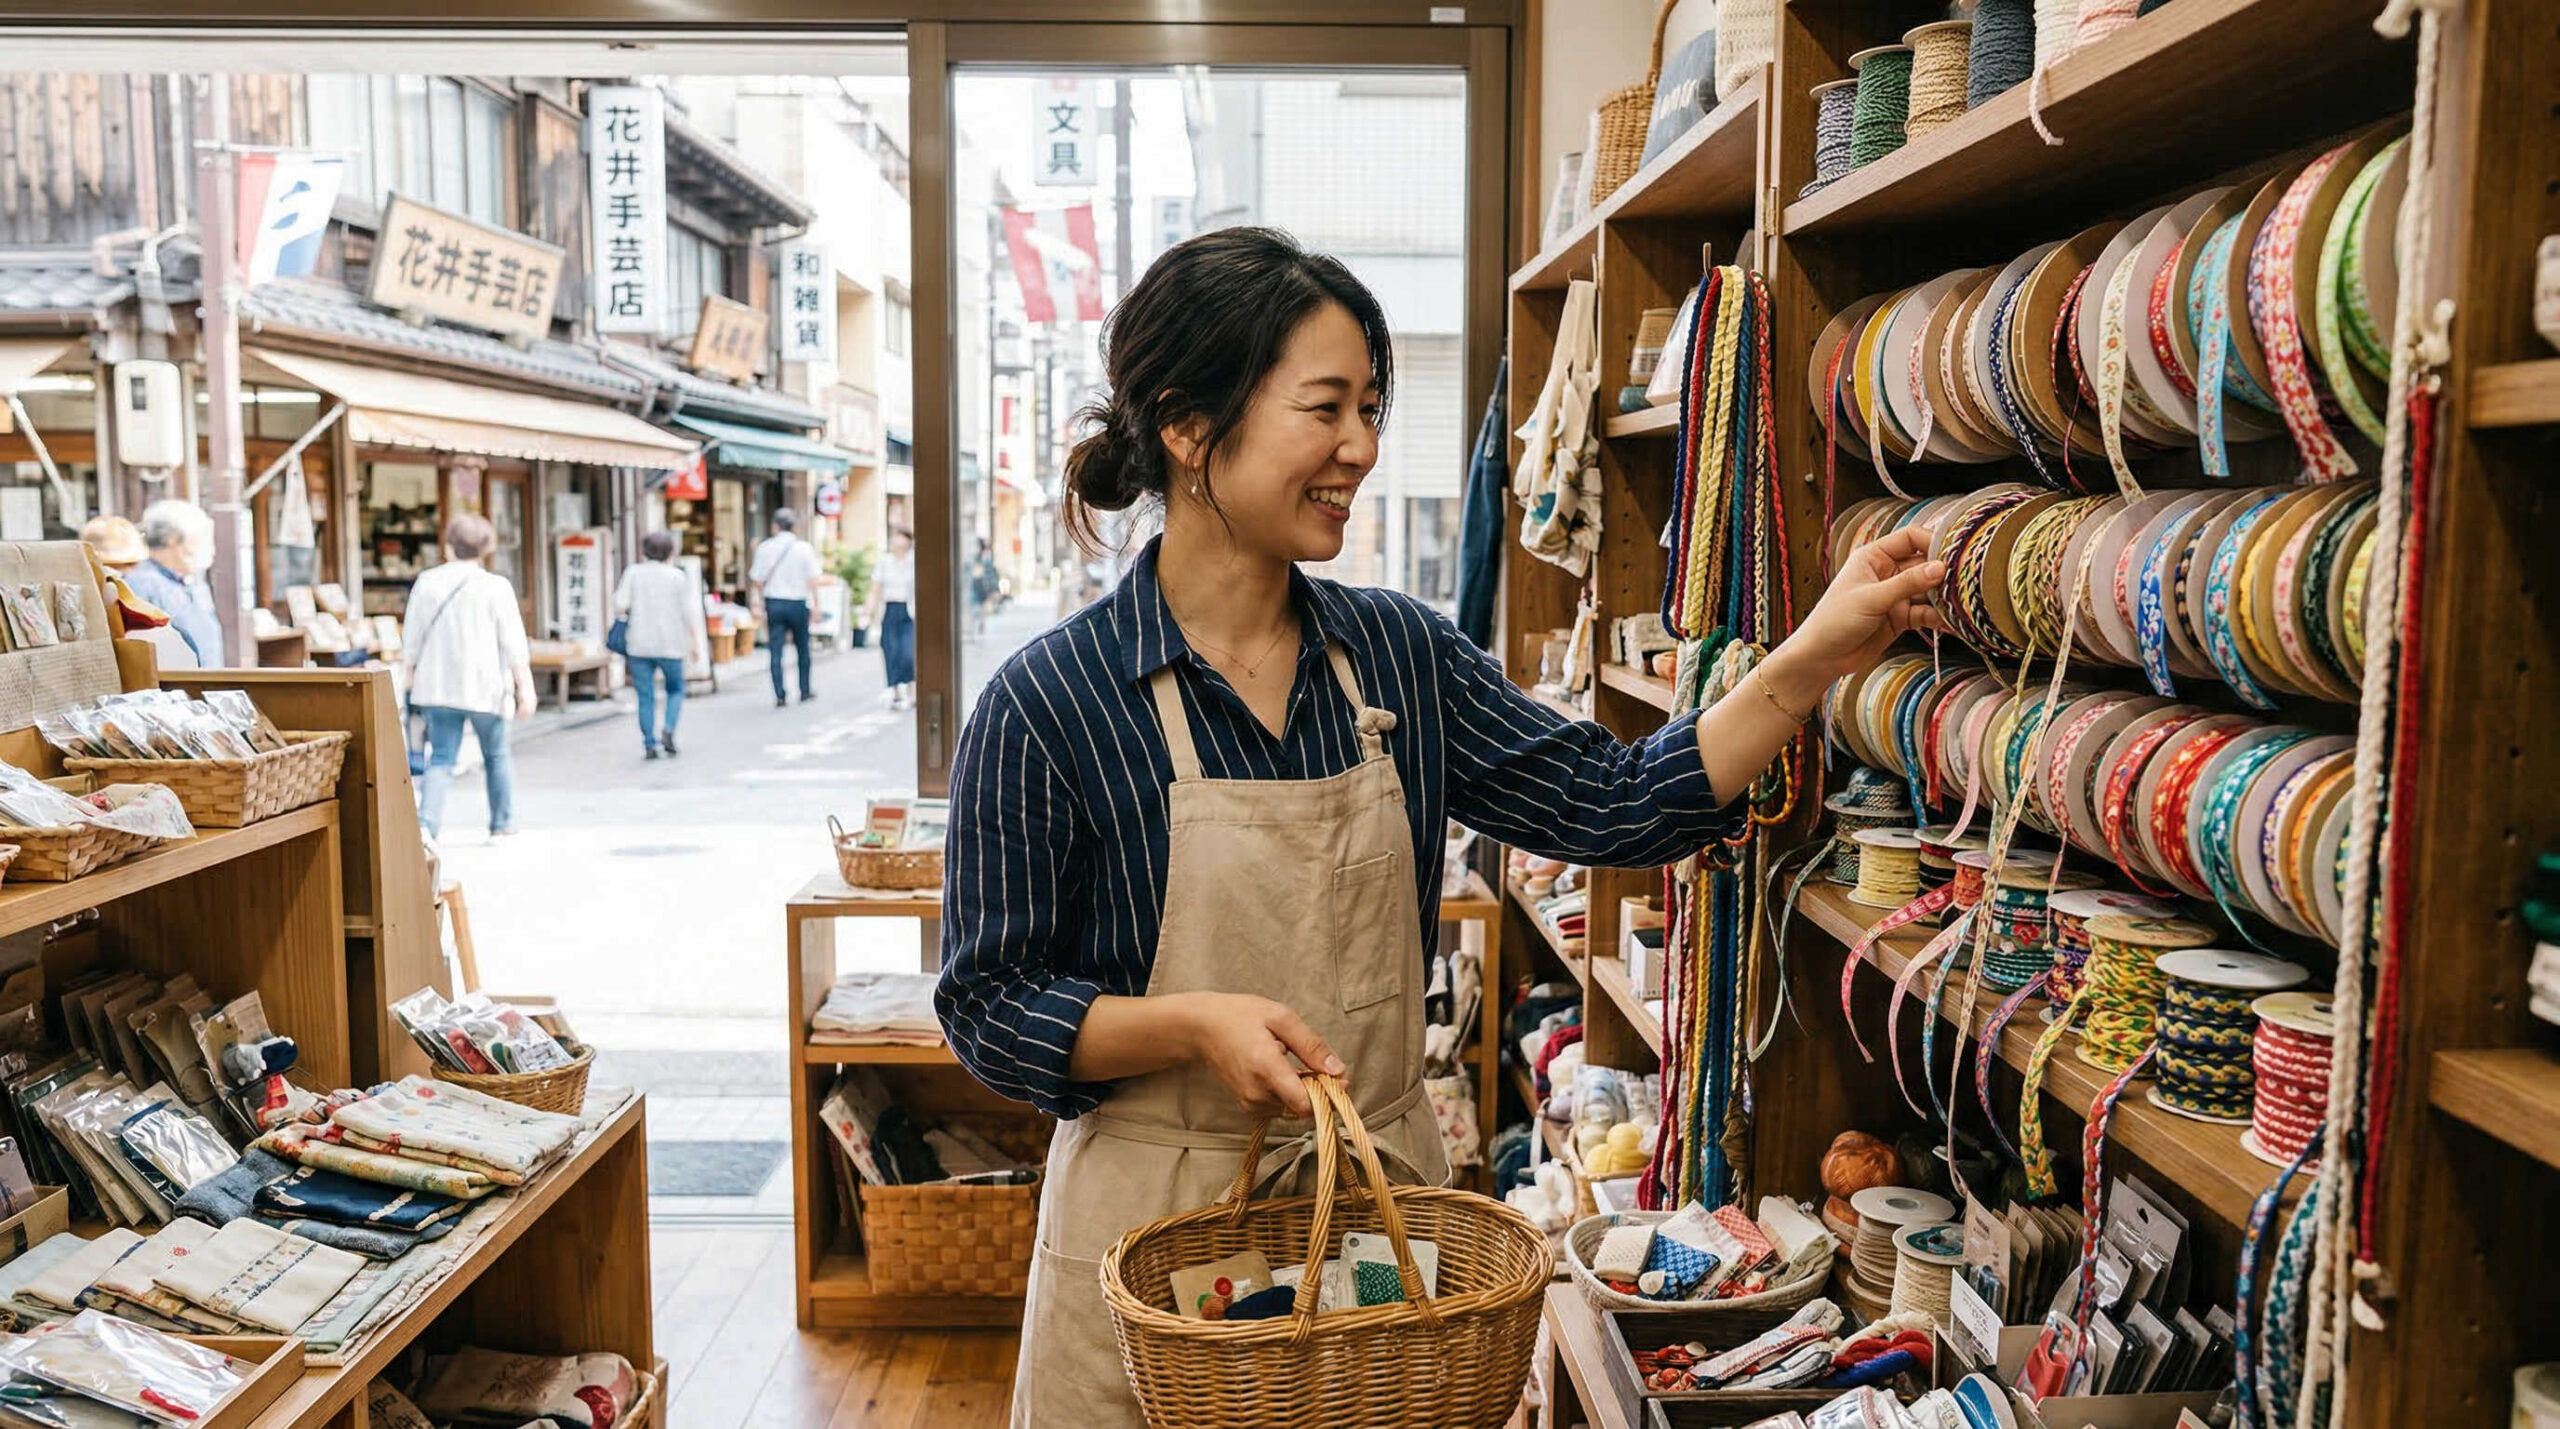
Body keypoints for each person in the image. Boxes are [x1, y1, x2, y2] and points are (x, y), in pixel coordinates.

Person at [932, 228, 1942, 1427]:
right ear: (1187, 426)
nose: (1360, 447)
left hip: (1373, 1227)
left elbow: (1610, 801)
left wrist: (1812, 655)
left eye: (1370, 406)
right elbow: (989, 1005)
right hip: (1153, 1247)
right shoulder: (1049, 702)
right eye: (1327, 408)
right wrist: (1193, 1026)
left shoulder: (1398, 657)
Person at [402, 514, 534, 841]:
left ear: (447, 546)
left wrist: (408, 674)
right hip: (485, 686)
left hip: (438, 686)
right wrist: (524, 686)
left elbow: (412, 637)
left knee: (442, 757)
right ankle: (502, 824)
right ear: (485, 548)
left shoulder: (427, 582)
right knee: (497, 755)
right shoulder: (495, 586)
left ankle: (427, 825)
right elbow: (514, 642)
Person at [615, 530, 707, 760]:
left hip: (639, 643)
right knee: (675, 689)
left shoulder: (633, 573)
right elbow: (690, 613)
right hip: (671, 643)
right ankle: (668, 728)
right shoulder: (677, 576)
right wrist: (695, 642)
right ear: (670, 551)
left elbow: (620, 603)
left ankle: (649, 743)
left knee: (645, 696)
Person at [125, 500, 224, 666]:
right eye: (198, 539)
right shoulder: (141, 583)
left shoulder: (194, 581)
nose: (208, 548)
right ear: (173, 540)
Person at [750, 508, 821, 708]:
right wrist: (816, 605)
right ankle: (804, 690)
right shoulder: (804, 548)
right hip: (798, 602)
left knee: (775, 650)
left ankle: (780, 694)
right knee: (803, 648)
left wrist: (759, 603)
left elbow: (757, 580)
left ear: (775, 526)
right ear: (795, 527)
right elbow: (813, 579)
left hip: (774, 603)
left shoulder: (764, 548)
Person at [867, 527, 917, 710]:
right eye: (895, 538)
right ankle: (896, 691)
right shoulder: (884, 562)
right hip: (890, 609)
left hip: (909, 610)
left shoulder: (914, 561)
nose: (897, 542)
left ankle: (912, 690)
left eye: (901, 538)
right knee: (891, 650)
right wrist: (868, 611)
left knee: (908, 652)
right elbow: (876, 589)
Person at [966, 538, 1000, 640]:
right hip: (975, 588)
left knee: (980, 610)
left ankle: (979, 626)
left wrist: (994, 590)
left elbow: (991, 574)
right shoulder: (974, 559)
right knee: (976, 609)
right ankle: (975, 628)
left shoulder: (985, 559)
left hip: (981, 588)